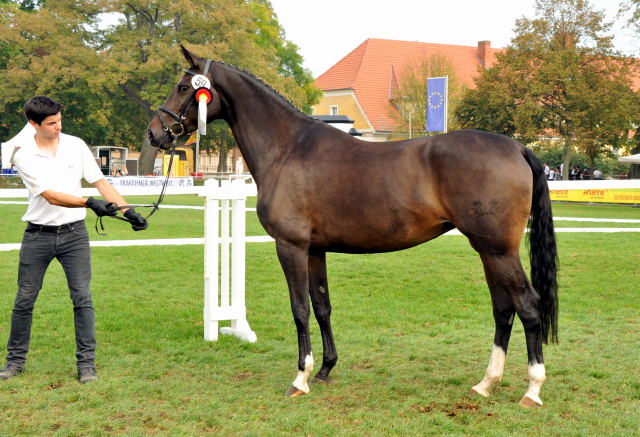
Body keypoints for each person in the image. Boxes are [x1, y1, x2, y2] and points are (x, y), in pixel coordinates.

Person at [0, 96, 148, 384]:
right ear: (34, 123)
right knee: (25, 300)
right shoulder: (22, 153)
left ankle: (87, 366)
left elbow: (101, 182)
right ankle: (14, 362)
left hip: (74, 236)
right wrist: (88, 203)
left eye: (59, 120)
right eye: (51, 123)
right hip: (38, 235)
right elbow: (50, 195)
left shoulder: (76, 144)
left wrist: (128, 211)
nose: (58, 126)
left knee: (82, 298)